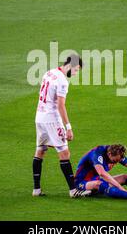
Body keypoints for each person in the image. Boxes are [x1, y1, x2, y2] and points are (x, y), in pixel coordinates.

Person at [32, 55, 89, 198]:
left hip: (39, 117)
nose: (75, 73)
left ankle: (36, 189)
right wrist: (68, 127)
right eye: (76, 70)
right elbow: (60, 105)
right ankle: (73, 190)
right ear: (70, 65)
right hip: (52, 119)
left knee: (40, 151)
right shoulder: (62, 81)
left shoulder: (49, 73)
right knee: (64, 153)